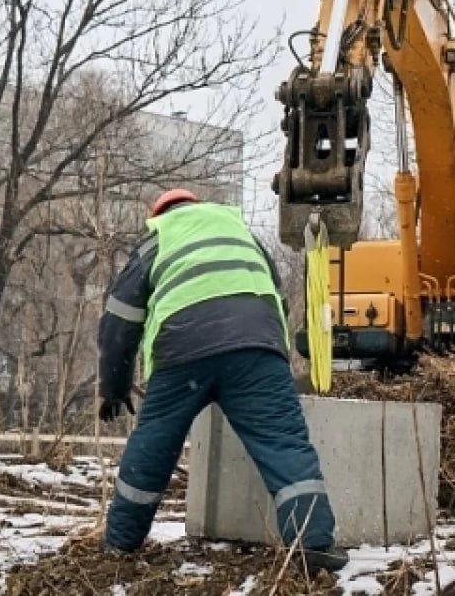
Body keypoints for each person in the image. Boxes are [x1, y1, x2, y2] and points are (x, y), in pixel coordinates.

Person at [96, 188, 347, 573]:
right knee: (283, 440)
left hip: (183, 351)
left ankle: (120, 544)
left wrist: (114, 387)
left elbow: (120, 321)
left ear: (159, 213)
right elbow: (275, 297)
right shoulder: (240, 232)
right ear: (198, 206)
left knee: (154, 444)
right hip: (256, 348)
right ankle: (312, 544)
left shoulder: (159, 237)